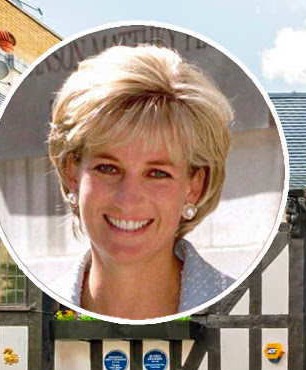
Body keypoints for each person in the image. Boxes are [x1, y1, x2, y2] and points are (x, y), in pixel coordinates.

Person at [48, 44, 235, 320]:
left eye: (157, 173)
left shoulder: (241, 306)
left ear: (193, 187)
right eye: (108, 168)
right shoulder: (44, 304)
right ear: (72, 172)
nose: (128, 198)